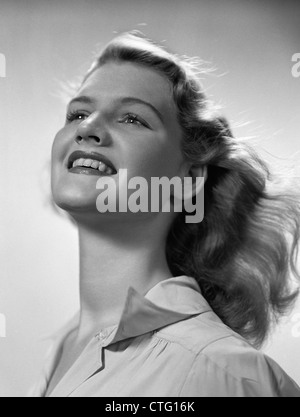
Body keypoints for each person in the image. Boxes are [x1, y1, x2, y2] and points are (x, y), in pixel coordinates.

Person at [30, 31, 300, 397]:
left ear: (189, 180)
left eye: (131, 119)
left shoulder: (224, 372)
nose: (88, 128)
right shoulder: (62, 347)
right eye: (79, 112)